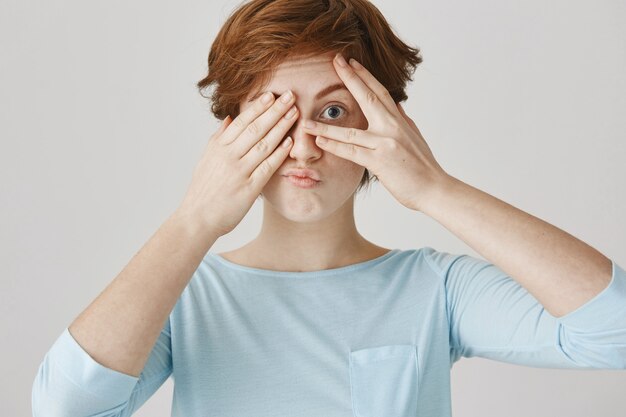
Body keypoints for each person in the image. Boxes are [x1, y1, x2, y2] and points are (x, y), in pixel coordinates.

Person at [32, 0, 626, 416]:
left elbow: (613, 332)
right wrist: (195, 219)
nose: (303, 145)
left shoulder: (436, 288)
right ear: (231, 129)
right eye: (274, 112)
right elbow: (64, 409)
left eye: (334, 112)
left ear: (387, 126)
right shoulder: (183, 294)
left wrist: (434, 189)